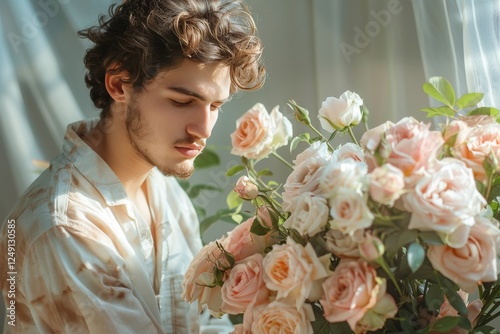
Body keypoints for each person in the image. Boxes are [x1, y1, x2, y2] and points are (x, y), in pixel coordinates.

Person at [0, 0, 265, 332]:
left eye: (215, 105)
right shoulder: (64, 226)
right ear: (119, 84)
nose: (205, 129)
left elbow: (202, 323)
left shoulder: (165, 192)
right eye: (183, 102)